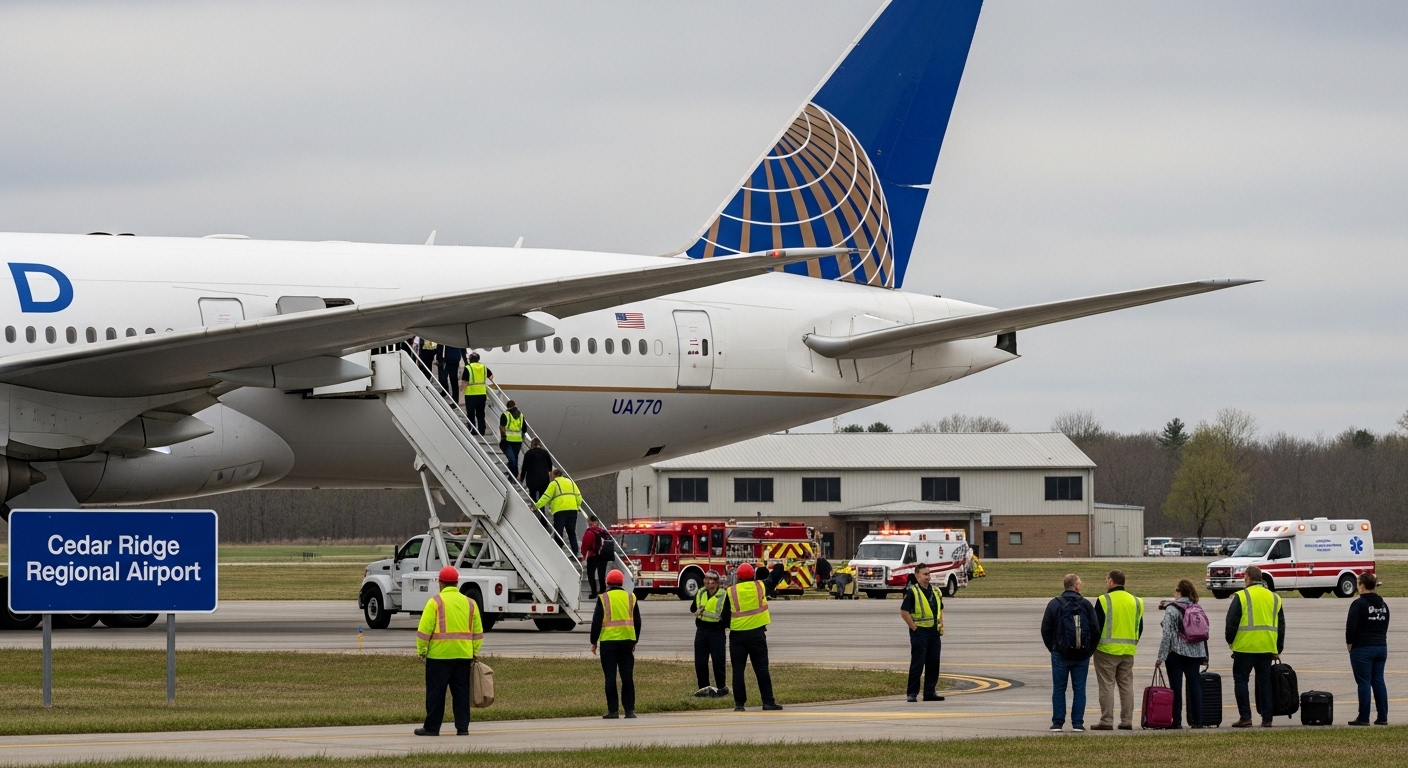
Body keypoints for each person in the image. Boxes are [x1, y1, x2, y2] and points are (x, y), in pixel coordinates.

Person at [414, 566, 484, 737]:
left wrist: (422, 650)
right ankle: (462, 728)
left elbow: (424, 630)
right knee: (461, 694)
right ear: (457, 582)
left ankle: (432, 728)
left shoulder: (435, 602)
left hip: (438, 656)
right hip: (463, 656)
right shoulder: (470, 603)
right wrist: (474, 651)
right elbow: (478, 631)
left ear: (440, 582)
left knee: (436, 694)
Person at [1225, 565, 1286, 728]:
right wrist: (1277, 648)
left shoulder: (1241, 596)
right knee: (1265, 683)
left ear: (1247, 578)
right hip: (1266, 647)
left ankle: (1245, 717)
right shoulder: (1275, 598)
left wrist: (1230, 641)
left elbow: (1231, 622)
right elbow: (1281, 625)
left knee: (1241, 680)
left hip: (1244, 647)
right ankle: (1267, 719)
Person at [1041, 573, 1098, 732]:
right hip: (1082, 655)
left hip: (1060, 653)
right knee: (1080, 689)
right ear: (1077, 586)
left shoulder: (1054, 604)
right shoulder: (1086, 604)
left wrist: (1053, 648)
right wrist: (1089, 651)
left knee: (1059, 688)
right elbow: (1095, 629)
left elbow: (1045, 629)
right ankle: (1078, 723)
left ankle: (1057, 722)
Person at [1091, 569, 1144, 730]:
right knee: (1126, 686)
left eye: (1107, 580)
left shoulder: (1104, 599)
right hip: (1128, 650)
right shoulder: (1136, 601)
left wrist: (1092, 647)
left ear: (1111, 581)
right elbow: (1139, 626)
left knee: (1107, 685)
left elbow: (1096, 626)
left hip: (1106, 650)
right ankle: (1127, 720)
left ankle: (1106, 720)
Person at [1154, 579, 1209, 729]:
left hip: (1176, 653)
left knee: (1175, 688)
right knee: (1195, 686)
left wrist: (1161, 657)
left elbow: (1167, 635)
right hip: (1195, 654)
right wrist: (1205, 656)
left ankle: (1176, 721)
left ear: (1179, 592)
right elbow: (1204, 634)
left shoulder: (1171, 610)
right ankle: (1198, 721)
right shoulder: (1196, 607)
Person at [728, 563, 782, 712]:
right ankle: (768, 702)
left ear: (737, 577)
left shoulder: (730, 591)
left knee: (738, 670)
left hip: (737, 636)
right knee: (762, 669)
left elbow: (725, 615)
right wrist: (776, 564)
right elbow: (776, 575)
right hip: (756, 635)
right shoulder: (760, 586)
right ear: (753, 576)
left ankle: (739, 704)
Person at [590, 569, 641, 719]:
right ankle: (629, 711)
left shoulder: (603, 598)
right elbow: (637, 621)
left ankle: (613, 711)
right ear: (621, 582)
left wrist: (593, 641)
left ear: (607, 582)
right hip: (627, 642)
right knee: (627, 677)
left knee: (610, 677)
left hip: (608, 643)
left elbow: (596, 622)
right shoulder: (631, 597)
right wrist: (634, 640)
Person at [1346, 572, 1389, 726]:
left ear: (1362, 586)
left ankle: (1364, 717)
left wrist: (1350, 645)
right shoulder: (1383, 605)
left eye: (1358, 583)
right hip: (1381, 647)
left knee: (1364, 682)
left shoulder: (1358, 604)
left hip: (1363, 647)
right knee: (1378, 681)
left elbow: (1351, 628)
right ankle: (1382, 716)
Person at [899, 562, 945, 703]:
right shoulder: (913, 591)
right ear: (917, 575)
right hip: (920, 632)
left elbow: (940, 609)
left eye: (929, 574)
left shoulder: (936, 591)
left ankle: (929, 692)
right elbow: (904, 611)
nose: (928, 577)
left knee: (933, 663)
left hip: (933, 632)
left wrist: (941, 623)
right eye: (925, 574)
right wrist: (914, 628)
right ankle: (912, 693)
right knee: (918, 663)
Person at [690, 570, 730, 698]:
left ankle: (721, 688)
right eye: (706, 579)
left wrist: (721, 625)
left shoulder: (723, 595)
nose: (708, 582)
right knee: (700, 662)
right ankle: (703, 688)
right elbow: (692, 608)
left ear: (717, 583)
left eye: (712, 579)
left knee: (718, 660)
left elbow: (727, 615)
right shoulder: (701, 592)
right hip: (702, 629)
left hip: (717, 630)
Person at [536, 468, 583, 551]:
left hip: (560, 509)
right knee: (571, 532)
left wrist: (536, 506)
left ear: (554, 475)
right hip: (572, 509)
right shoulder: (570, 482)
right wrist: (577, 506)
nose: (550, 478)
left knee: (558, 530)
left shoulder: (554, 483)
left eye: (551, 476)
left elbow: (546, 497)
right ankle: (575, 551)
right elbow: (579, 496)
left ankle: (558, 548)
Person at [462, 352, 492, 435]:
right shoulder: (483, 367)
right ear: (478, 359)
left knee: (471, 413)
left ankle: (472, 430)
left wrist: (462, 390)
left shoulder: (468, 367)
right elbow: (491, 376)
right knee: (481, 413)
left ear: (470, 359)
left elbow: (464, 381)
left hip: (470, 394)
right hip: (482, 393)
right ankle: (482, 431)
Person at [581, 514, 610, 599]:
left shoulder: (589, 532)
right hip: (603, 556)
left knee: (591, 574)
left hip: (593, 556)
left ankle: (594, 593)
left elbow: (585, 545)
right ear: (597, 522)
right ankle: (602, 591)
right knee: (602, 575)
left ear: (590, 522)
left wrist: (583, 555)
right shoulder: (602, 531)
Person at [499, 400, 526, 476]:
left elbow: (502, 428)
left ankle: (513, 475)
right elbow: (524, 429)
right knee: (514, 459)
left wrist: (503, 438)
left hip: (508, 440)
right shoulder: (521, 416)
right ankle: (514, 474)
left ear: (507, 407)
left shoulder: (505, 415)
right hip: (518, 440)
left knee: (512, 459)